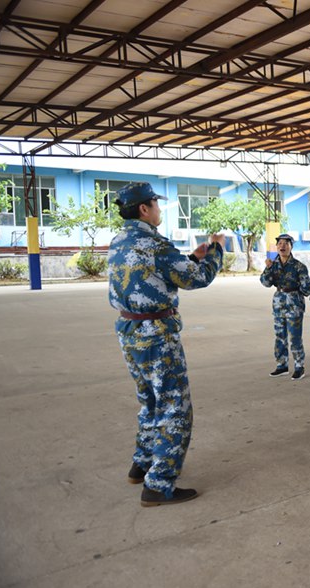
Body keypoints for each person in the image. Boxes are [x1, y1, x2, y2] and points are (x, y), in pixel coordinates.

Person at [108, 181, 223, 507]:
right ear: (144, 208)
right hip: (156, 335)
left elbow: (152, 273)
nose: (159, 209)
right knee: (175, 408)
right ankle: (158, 484)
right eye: (156, 204)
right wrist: (215, 252)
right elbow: (196, 278)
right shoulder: (155, 244)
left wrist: (190, 257)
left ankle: (142, 464)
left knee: (149, 401)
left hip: (128, 330)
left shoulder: (120, 240)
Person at [260, 233, 310, 380]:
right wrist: (268, 268)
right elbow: (265, 283)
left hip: (294, 305)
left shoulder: (299, 266)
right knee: (280, 336)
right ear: (277, 247)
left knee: (295, 337)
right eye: (280, 243)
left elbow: (307, 288)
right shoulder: (273, 265)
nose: (282, 246)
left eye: (286, 243)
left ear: (291, 247)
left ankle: (299, 366)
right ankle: (282, 365)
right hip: (278, 304)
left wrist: (295, 293)